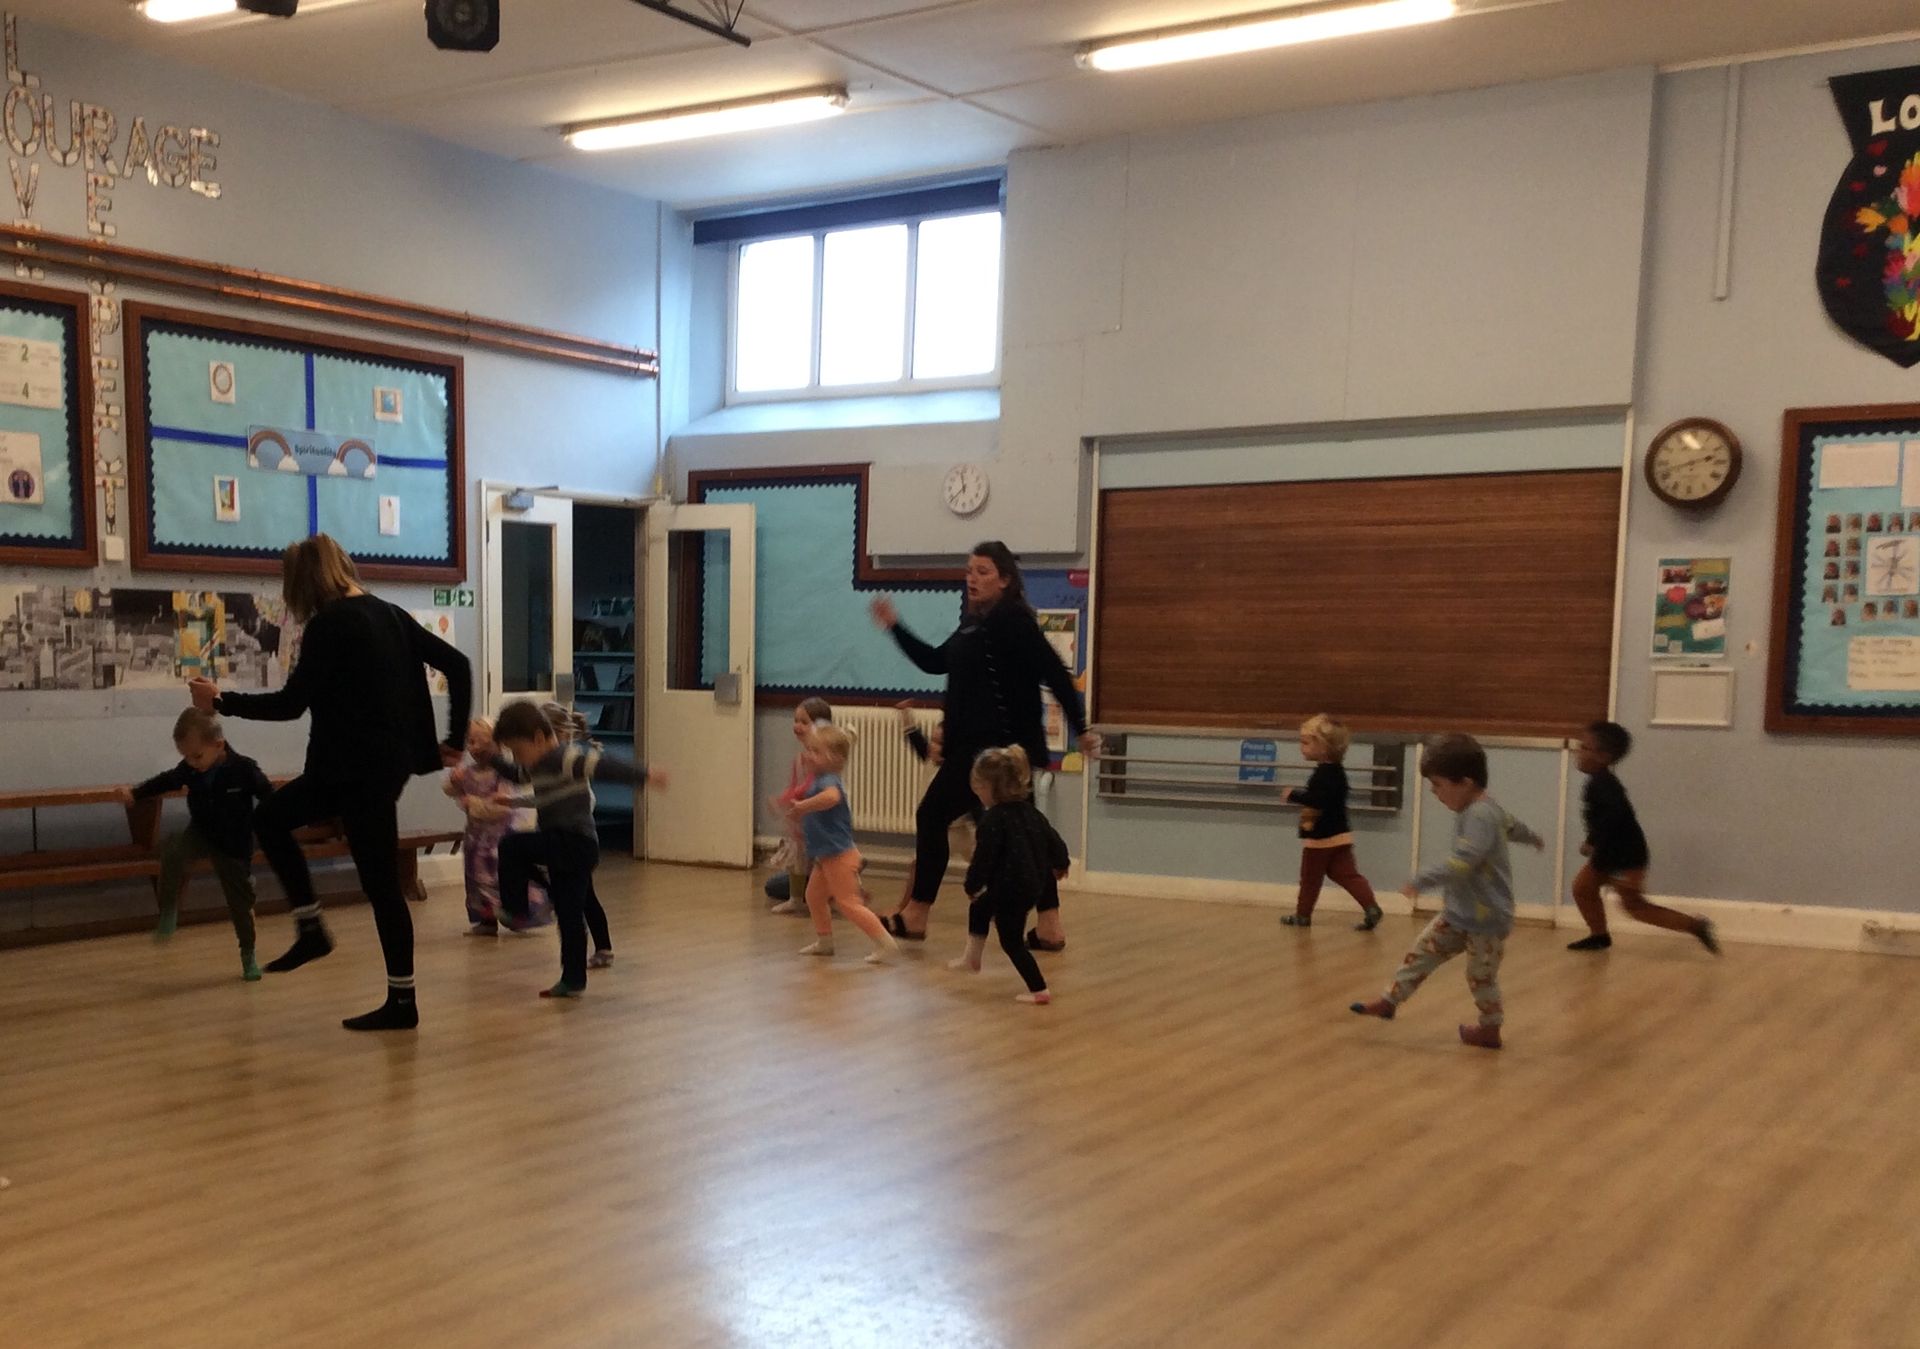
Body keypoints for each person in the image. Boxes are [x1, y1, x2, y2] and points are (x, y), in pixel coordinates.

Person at [191, 534, 469, 1032]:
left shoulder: (329, 626)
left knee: (273, 820)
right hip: (384, 768)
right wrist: (455, 739)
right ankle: (396, 996)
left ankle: (313, 926)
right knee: (378, 880)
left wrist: (220, 702)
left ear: (302, 584)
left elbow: (289, 705)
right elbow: (459, 665)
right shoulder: (390, 614)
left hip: (348, 770)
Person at [869, 542, 1095, 946]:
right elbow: (935, 662)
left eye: (984, 571)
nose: (972, 577)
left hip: (996, 754)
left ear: (1005, 580)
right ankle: (1049, 927)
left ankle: (918, 913)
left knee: (933, 815)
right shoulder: (974, 623)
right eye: (970, 570)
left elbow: (1054, 672)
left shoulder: (1012, 620)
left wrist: (1080, 727)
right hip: (978, 749)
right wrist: (894, 626)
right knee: (1023, 833)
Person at [1350, 734, 1543, 1050]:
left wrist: (1422, 879)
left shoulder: (1480, 815)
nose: (1435, 793)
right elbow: (1511, 825)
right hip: (1458, 912)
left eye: (1438, 785)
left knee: (1480, 976)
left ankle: (1490, 1029)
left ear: (1465, 783)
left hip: (1487, 919)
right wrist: (1531, 837)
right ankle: (1389, 1001)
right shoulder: (1485, 809)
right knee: (1421, 953)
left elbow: (1464, 862)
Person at [490, 699, 667, 999]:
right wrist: (491, 757)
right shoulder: (536, 764)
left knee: (511, 845)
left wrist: (644, 775)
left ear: (537, 737)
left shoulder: (564, 757)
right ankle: (573, 979)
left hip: (573, 841)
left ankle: (517, 909)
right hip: (568, 846)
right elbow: (517, 776)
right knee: (570, 915)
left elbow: (604, 766)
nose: (519, 759)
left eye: (518, 751)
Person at [121, 707, 275, 981]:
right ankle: (169, 910)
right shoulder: (190, 769)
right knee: (173, 850)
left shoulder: (243, 770)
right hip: (201, 831)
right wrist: (135, 792)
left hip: (234, 844)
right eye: (186, 757)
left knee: (240, 905)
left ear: (218, 745)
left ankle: (248, 954)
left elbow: (269, 796)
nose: (192, 763)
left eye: (197, 756)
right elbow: (167, 779)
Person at [1566, 721, 1719, 956]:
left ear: (1603, 756)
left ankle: (1695, 926)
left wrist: (1592, 842)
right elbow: (1602, 819)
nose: (1578, 751)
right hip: (1608, 854)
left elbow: (1614, 817)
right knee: (1583, 888)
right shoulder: (1598, 783)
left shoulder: (1605, 786)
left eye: (1584, 747)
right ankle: (1599, 936)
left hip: (1625, 857)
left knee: (1635, 906)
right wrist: (1595, 842)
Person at [951, 745, 1067, 1005]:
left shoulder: (993, 821)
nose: (977, 795)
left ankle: (1039, 989)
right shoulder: (1032, 813)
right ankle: (972, 958)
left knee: (1011, 941)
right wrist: (1061, 863)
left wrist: (972, 884)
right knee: (980, 908)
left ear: (993, 787)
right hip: (1030, 886)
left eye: (979, 789)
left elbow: (984, 858)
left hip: (1010, 888)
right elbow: (1055, 842)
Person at [784, 724, 900, 965]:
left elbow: (831, 798)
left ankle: (885, 942)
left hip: (839, 856)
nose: (808, 755)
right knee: (814, 897)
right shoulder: (819, 779)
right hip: (826, 857)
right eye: (809, 750)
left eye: (815, 751)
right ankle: (825, 942)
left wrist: (803, 807)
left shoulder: (829, 781)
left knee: (848, 904)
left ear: (834, 759)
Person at [444, 717, 550, 936]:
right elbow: (450, 790)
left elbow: (502, 807)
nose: (473, 749)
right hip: (475, 839)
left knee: (497, 879)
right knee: (475, 881)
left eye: (479, 743)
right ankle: (486, 920)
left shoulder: (503, 774)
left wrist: (473, 804)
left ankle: (517, 914)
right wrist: (454, 781)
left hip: (497, 840)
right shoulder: (470, 771)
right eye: (470, 742)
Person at [1277, 714, 1383, 931]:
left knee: (1310, 879)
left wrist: (1293, 795)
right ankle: (1371, 906)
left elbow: (1318, 800)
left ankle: (1302, 915)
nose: (1302, 747)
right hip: (1341, 835)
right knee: (1347, 875)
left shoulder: (1324, 774)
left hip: (1320, 838)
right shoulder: (1338, 773)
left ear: (1323, 748)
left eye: (1306, 742)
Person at [538, 702, 616, 967]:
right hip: (560, 842)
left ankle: (600, 949)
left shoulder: (569, 761)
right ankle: (601, 948)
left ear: (558, 734)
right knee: (584, 897)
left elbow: (587, 800)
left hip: (575, 843)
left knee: (583, 898)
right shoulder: (546, 764)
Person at [767, 697, 834, 915]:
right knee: (797, 859)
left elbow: (809, 786)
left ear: (820, 726)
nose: (797, 726)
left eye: (804, 722)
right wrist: (783, 801)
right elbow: (794, 785)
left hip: (820, 820)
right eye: (796, 720)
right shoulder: (799, 758)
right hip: (802, 818)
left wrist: (788, 799)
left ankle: (844, 890)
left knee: (824, 860)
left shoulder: (823, 759)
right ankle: (796, 899)